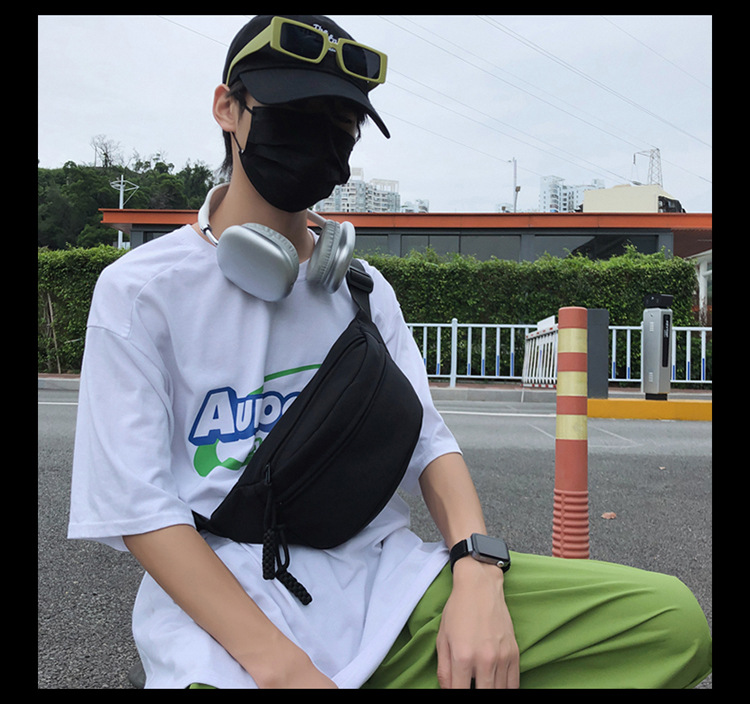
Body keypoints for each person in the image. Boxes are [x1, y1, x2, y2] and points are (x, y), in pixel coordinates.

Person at [68, 15, 712, 689]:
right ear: (227, 108)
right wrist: (285, 669)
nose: (321, 139)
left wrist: (477, 570)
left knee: (669, 624)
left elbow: (428, 442)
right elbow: (142, 508)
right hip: (227, 628)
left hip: (392, 590)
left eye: (341, 123)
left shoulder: (362, 289)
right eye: (297, 113)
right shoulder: (140, 292)